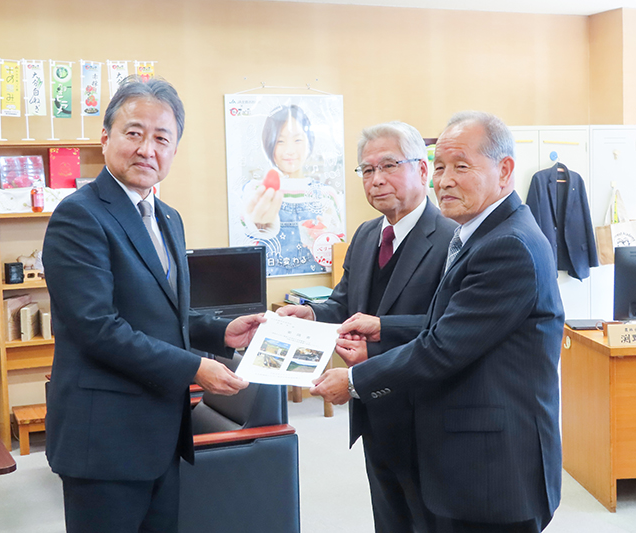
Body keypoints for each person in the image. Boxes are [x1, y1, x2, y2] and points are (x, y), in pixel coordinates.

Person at [311, 111, 564, 532]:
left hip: (493, 466)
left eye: (461, 167)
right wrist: (384, 328)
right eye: (441, 167)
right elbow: (452, 324)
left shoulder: (507, 246)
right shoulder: (478, 234)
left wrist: (354, 381)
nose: (444, 180)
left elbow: (444, 347)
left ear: (504, 171)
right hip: (455, 447)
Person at [42, 76, 263, 533]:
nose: (147, 149)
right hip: (104, 441)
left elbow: (164, 311)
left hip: (161, 433)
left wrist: (219, 330)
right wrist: (195, 367)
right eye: (134, 133)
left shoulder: (167, 217)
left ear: (174, 150)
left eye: (162, 138)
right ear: (105, 138)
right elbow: (98, 328)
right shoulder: (79, 215)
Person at [278, 121, 456, 533]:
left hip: (425, 413)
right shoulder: (365, 235)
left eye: (389, 166)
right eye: (367, 170)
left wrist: (380, 333)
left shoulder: (451, 238)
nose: (376, 180)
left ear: (423, 171)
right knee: (389, 519)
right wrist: (312, 314)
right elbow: (345, 304)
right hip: (372, 409)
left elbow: (448, 328)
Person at [240, 104, 345, 276]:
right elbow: (244, 242)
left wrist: (324, 240)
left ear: (309, 142)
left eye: (297, 140)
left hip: (315, 286)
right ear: (269, 145)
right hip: (268, 284)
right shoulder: (256, 191)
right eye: (280, 141)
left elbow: (340, 256)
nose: (289, 151)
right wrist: (259, 226)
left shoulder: (326, 195)